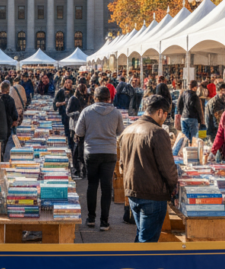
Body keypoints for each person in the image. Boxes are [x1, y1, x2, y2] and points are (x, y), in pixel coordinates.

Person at [119, 94, 178, 243]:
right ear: (160, 112)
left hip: (133, 190)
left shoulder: (128, 130)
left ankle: (135, 263)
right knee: (148, 242)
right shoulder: (157, 132)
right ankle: (140, 266)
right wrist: (173, 188)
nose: (165, 118)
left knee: (141, 235)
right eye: (165, 114)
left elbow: (121, 165)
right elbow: (168, 167)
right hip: (152, 194)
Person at [74, 86, 124, 231]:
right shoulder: (116, 113)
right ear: (109, 98)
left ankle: (90, 218)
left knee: (92, 185)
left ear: (94, 98)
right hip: (109, 153)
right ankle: (104, 221)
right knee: (107, 187)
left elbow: (79, 132)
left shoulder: (87, 111)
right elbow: (120, 132)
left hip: (91, 152)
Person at [175, 80, 204, 146]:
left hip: (184, 117)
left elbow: (179, 104)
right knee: (194, 138)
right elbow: (198, 109)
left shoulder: (184, 93)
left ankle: (184, 152)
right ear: (194, 87)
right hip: (193, 118)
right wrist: (200, 121)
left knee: (185, 138)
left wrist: (181, 113)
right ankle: (192, 153)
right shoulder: (195, 97)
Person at [0, 81, 19, 159]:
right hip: (8, 124)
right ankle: (3, 153)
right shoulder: (10, 99)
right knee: (6, 141)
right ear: (8, 89)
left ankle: (0, 155)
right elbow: (14, 114)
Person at [54, 79, 75, 148]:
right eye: (67, 83)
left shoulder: (74, 92)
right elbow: (55, 104)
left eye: (70, 83)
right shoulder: (60, 91)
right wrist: (63, 103)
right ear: (64, 84)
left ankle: (71, 146)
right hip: (64, 115)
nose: (68, 84)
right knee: (67, 132)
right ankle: (69, 145)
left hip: (73, 116)